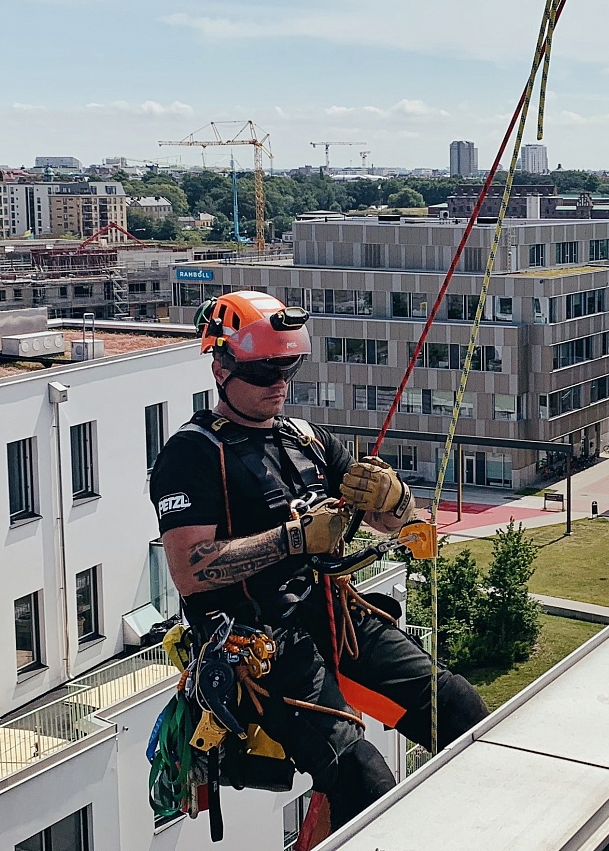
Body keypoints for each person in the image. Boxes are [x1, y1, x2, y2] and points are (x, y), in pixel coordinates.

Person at [149, 290, 488, 831]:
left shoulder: (306, 439)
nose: (279, 384)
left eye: (288, 368)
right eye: (263, 372)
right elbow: (191, 569)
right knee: (362, 778)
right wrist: (292, 540)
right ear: (220, 366)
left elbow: (391, 521)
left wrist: (394, 499)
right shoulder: (191, 455)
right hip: (260, 643)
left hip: (332, 614)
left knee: (460, 708)